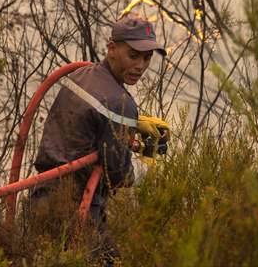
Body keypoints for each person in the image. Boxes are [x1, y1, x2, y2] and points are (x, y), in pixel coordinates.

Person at [30, 16, 166, 262]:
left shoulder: (82, 75)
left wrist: (130, 125)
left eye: (147, 57)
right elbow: (119, 177)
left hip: (41, 196)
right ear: (112, 49)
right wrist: (146, 163)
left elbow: (86, 127)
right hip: (77, 211)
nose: (141, 66)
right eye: (133, 55)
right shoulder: (119, 103)